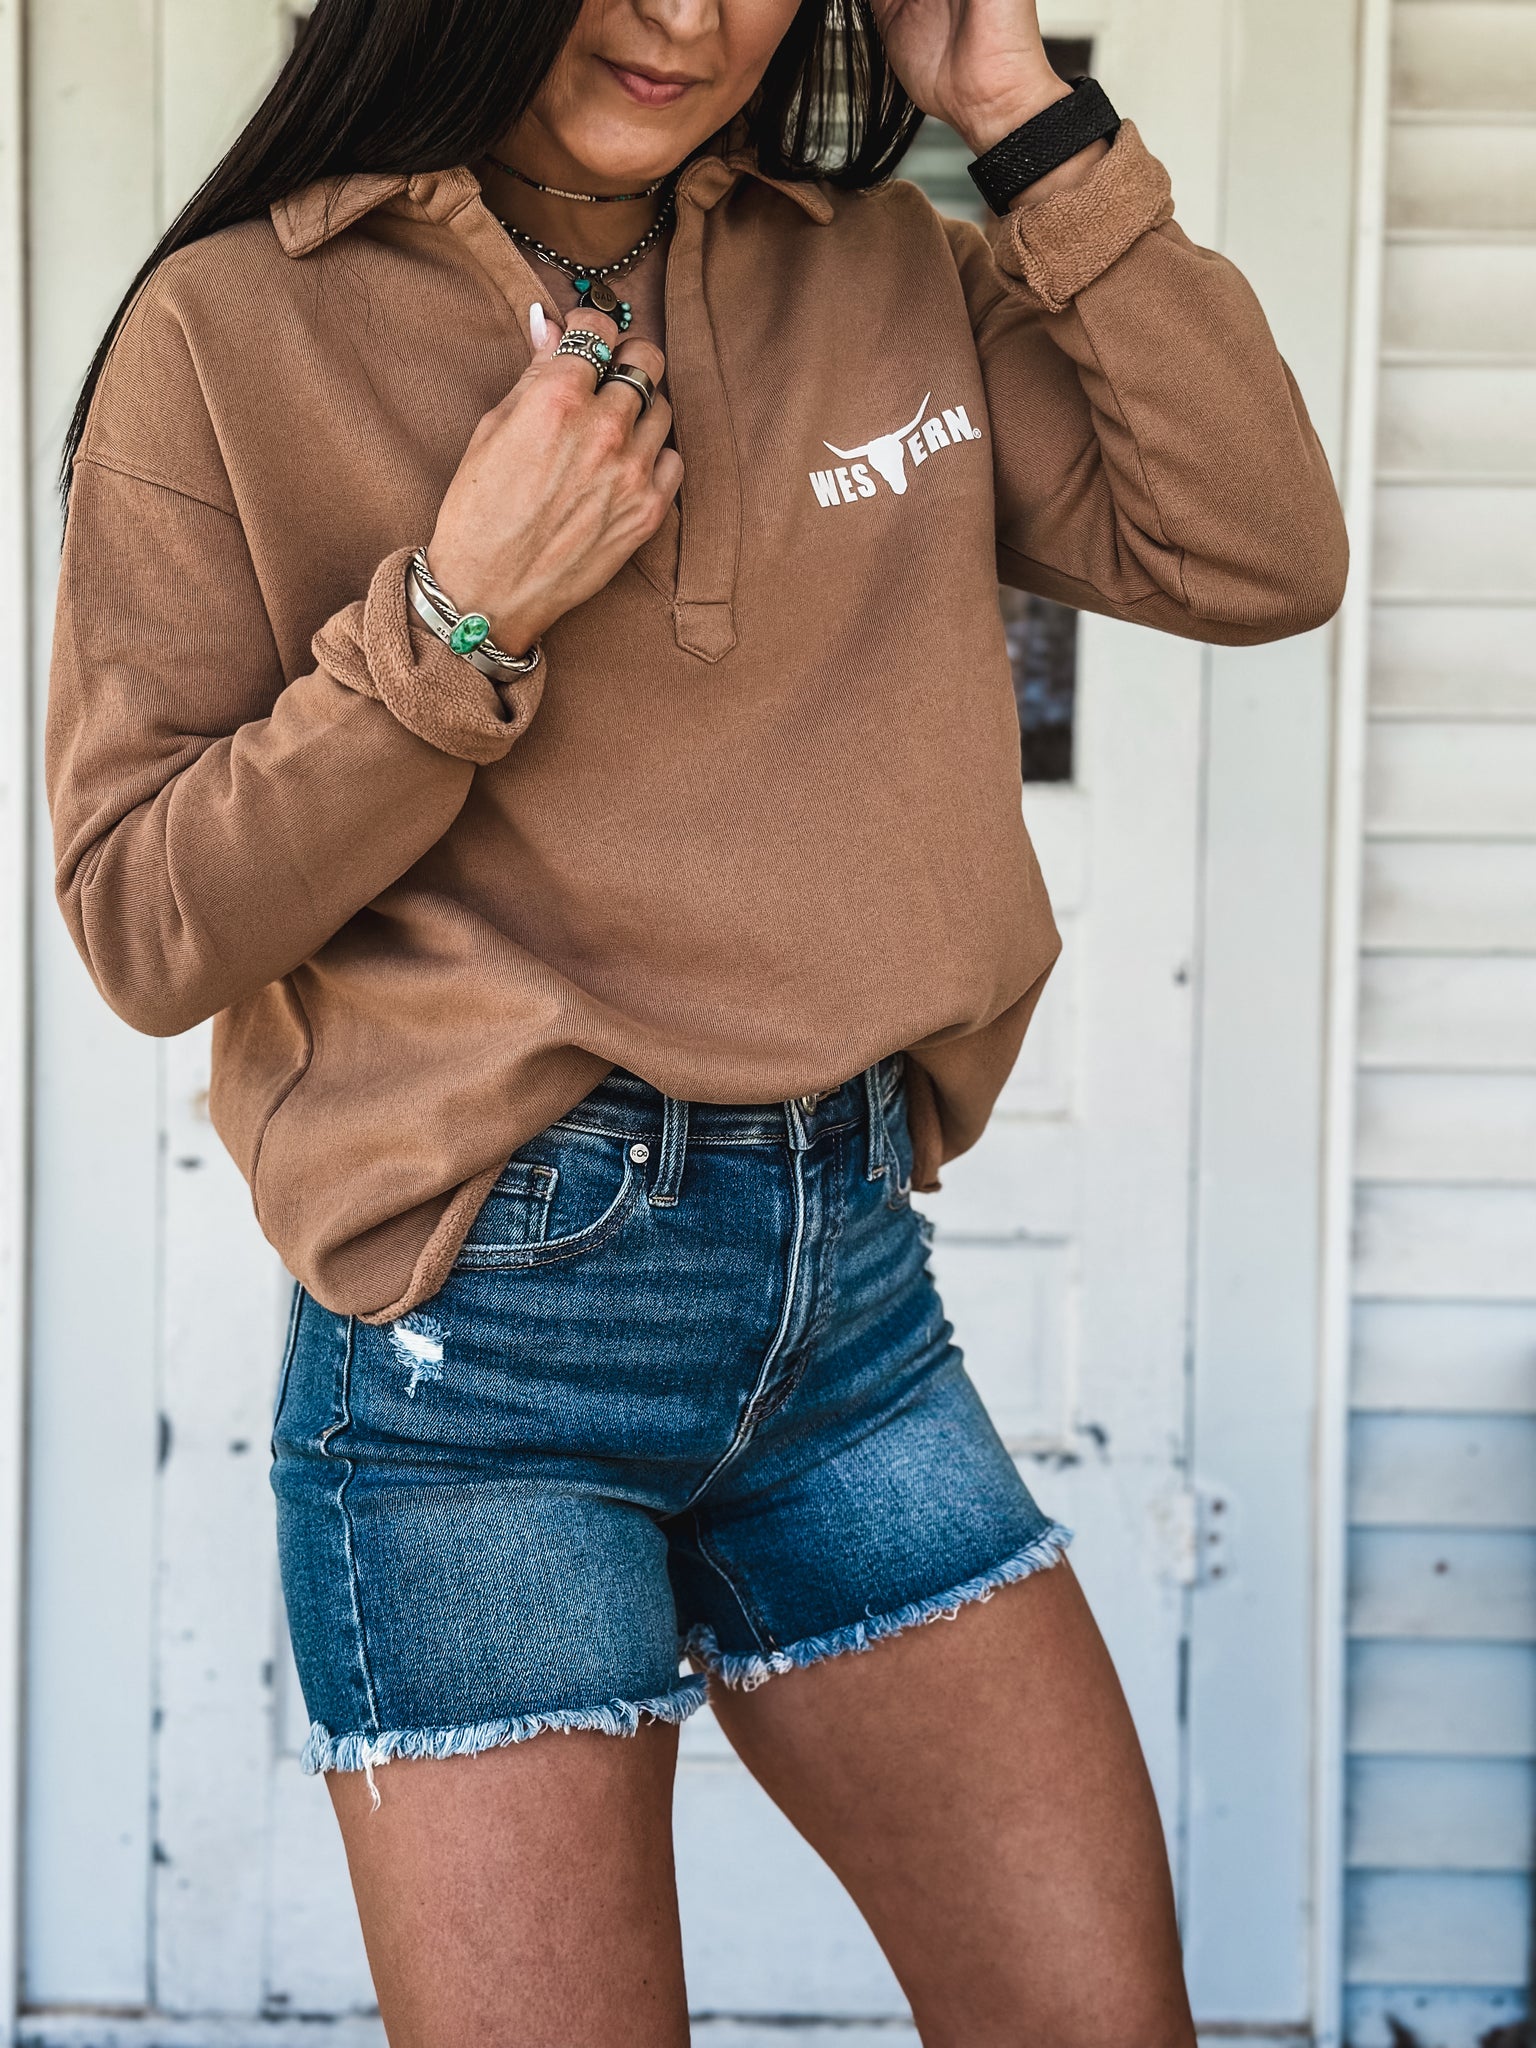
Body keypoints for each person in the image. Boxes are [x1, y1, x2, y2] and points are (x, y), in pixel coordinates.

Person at [45, 0, 1348, 2035]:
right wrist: (457, 620)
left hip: (854, 1318)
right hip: (483, 1365)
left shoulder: (888, 269)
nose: (685, 16)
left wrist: (1018, 109)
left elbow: (1257, 546)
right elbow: (143, 922)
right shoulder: (228, 330)